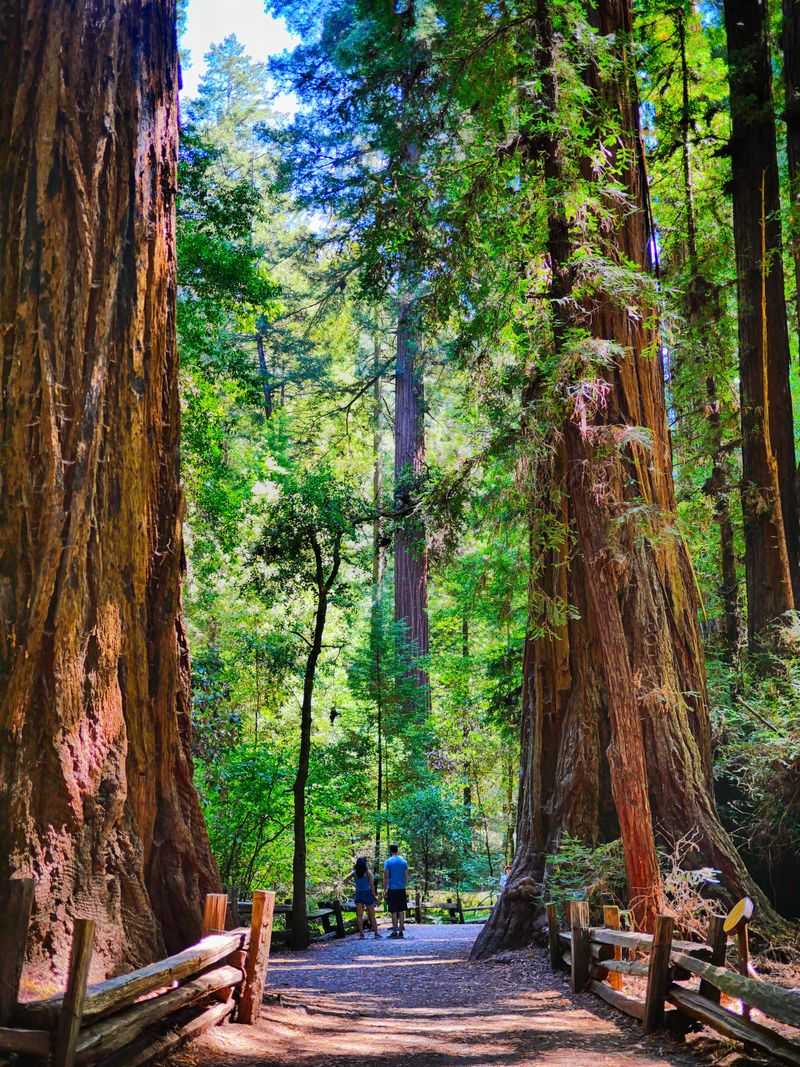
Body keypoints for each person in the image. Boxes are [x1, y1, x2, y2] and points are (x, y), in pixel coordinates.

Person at [383, 843, 409, 939]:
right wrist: (404, 885)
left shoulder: (388, 862)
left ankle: (394, 931)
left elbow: (386, 877)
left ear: (390, 851)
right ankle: (401, 931)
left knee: (393, 911)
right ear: (397, 850)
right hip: (401, 889)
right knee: (401, 911)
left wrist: (385, 889)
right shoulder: (404, 862)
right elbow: (406, 877)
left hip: (392, 889)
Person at [353, 856, 381, 939]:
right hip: (368, 894)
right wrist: (374, 896)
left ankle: (361, 934)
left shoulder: (354, 873)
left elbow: (345, 880)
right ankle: (376, 933)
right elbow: (372, 886)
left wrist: (355, 885)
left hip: (359, 894)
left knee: (359, 916)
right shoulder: (368, 873)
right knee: (372, 915)